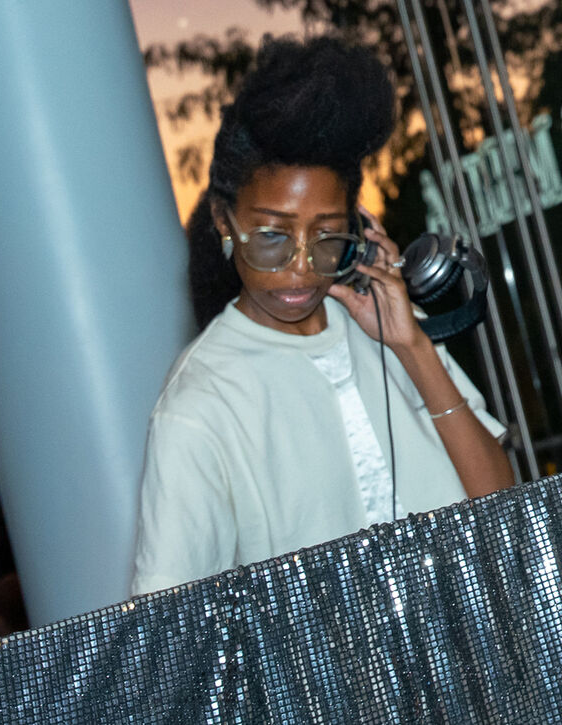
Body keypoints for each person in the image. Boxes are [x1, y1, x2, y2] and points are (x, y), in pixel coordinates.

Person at [130, 37, 513, 595]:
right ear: (222, 221)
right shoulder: (200, 408)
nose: (302, 268)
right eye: (271, 237)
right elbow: (171, 629)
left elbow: (505, 509)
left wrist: (413, 348)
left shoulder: (390, 334)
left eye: (327, 236)